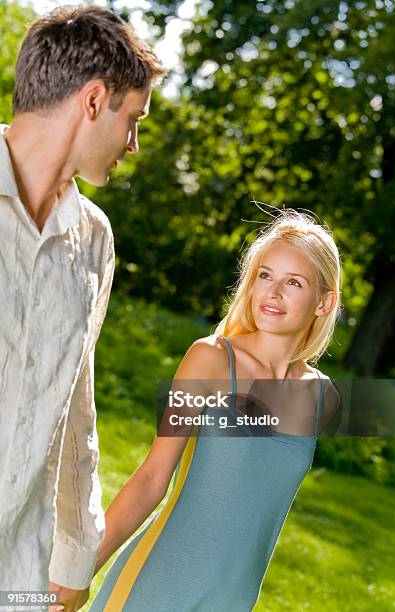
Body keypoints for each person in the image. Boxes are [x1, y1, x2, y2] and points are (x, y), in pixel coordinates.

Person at [88, 209, 342, 611]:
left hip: (234, 600)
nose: (273, 292)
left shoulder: (322, 396)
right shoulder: (210, 360)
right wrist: (81, 570)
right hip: (158, 583)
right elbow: (154, 476)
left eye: (293, 282)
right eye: (265, 275)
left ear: (324, 303)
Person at [0, 5, 165, 612]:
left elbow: (76, 409)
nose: (135, 143)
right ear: (94, 100)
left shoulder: (93, 239)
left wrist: (74, 560)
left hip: (19, 565)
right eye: (134, 119)